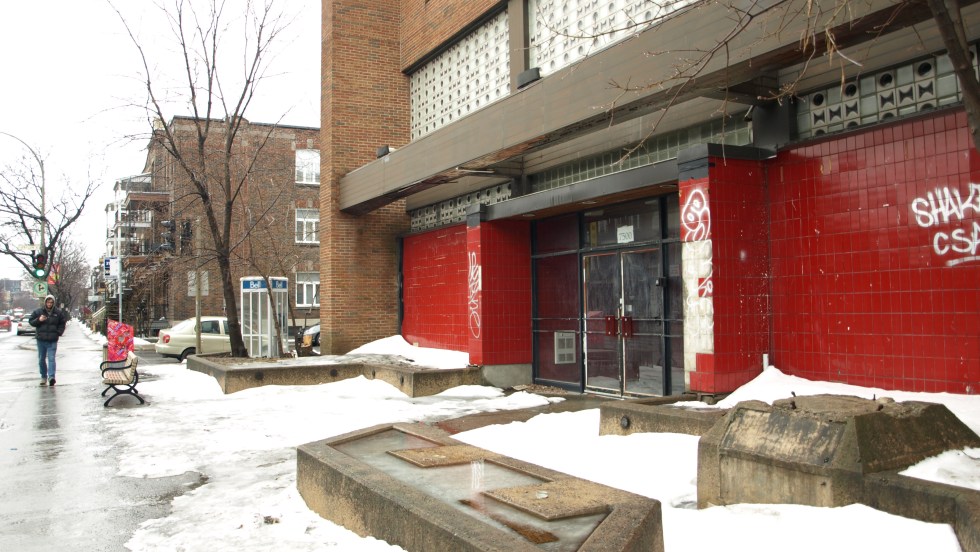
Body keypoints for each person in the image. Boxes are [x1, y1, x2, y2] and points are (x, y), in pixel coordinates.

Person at [29, 294, 68, 387]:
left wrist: (58, 332)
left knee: (51, 359)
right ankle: (43, 376)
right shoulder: (38, 312)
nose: (49, 304)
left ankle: (51, 377)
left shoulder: (58, 313)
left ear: (53, 303)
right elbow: (31, 321)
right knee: (41, 359)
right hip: (41, 340)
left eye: (51, 302)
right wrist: (39, 320)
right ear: (45, 302)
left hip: (52, 340)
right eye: (48, 302)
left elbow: (62, 323)